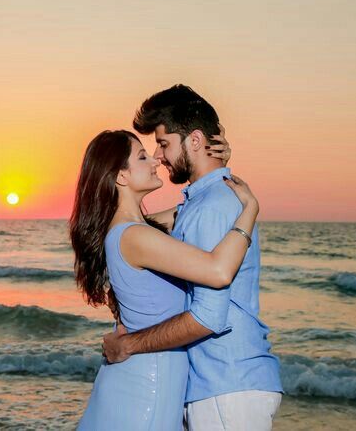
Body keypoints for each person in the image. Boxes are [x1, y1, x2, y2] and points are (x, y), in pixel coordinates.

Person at [102, 85, 283, 431]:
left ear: (195, 141)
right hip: (221, 385)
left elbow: (208, 316)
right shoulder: (200, 203)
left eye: (164, 143)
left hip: (226, 386)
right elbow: (144, 230)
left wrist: (129, 345)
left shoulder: (213, 205)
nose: (159, 156)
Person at [70, 127, 259, 430]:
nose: (155, 161)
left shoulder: (133, 230)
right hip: (145, 390)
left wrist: (217, 168)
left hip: (145, 380)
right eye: (142, 156)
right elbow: (219, 271)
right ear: (121, 176)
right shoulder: (135, 236)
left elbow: (194, 208)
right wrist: (250, 210)